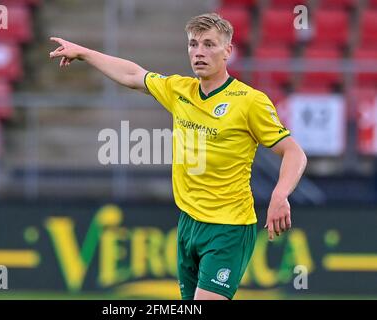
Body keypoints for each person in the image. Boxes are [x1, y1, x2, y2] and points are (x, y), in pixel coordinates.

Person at [49, 12, 307, 300]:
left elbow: (294, 152)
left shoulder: (250, 102)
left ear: (228, 51)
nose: (199, 52)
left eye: (209, 44)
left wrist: (279, 195)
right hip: (188, 224)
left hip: (228, 227)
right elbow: (133, 74)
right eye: (193, 44)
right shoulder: (180, 90)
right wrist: (83, 53)